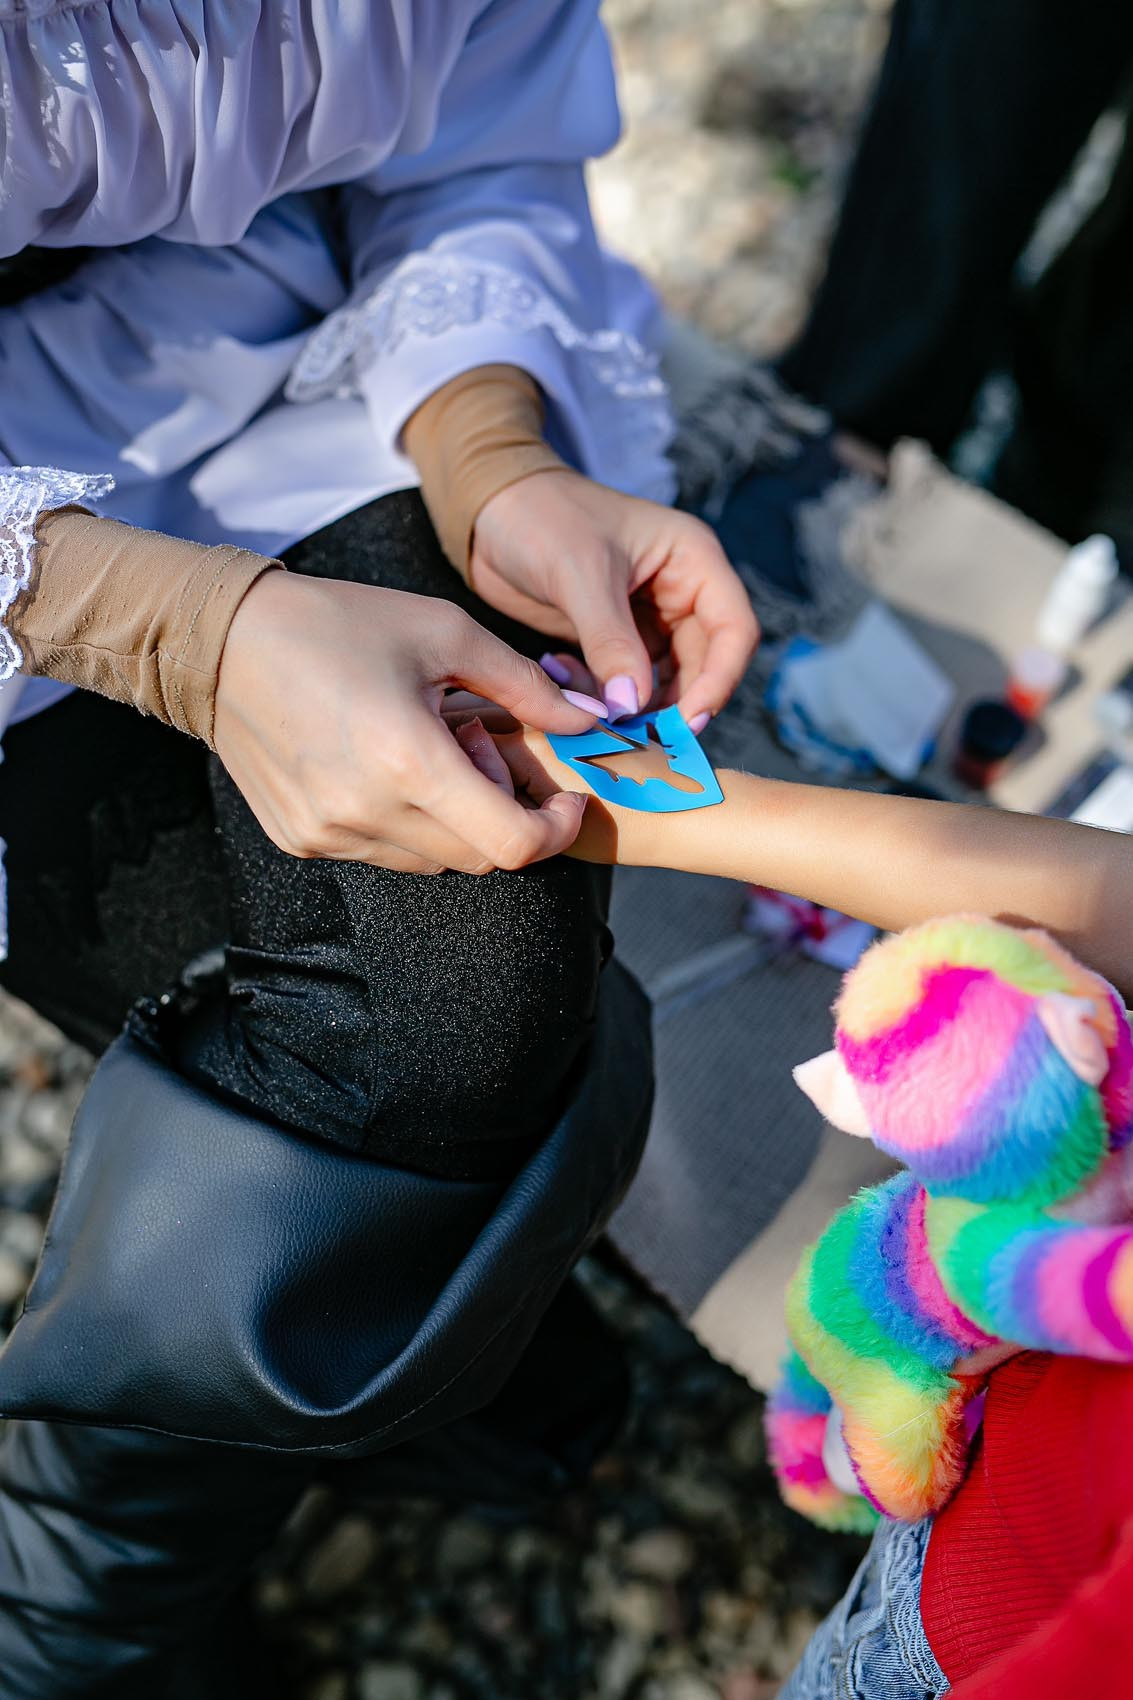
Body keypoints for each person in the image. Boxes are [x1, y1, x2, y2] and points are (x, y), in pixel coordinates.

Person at [0, 6, 759, 1697]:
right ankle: (61, 1614)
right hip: (25, 567)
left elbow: (474, 107)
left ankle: (412, 1370)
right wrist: (174, 632)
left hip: (312, 365)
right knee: (373, 1019)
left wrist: (493, 449)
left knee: (475, 942)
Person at [488, 718, 1133, 1697]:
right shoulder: (1007, 1223)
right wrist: (646, 795)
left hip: (976, 1627)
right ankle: (825, 1461)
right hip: (973, 1541)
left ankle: (828, 1460)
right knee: (878, 1428)